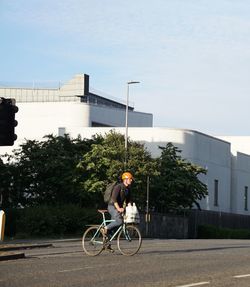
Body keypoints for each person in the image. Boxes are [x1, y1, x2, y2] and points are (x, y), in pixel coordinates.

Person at [101, 171, 133, 237]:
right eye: (130, 178)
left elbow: (128, 201)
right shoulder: (118, 187)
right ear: (125, 179)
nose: (131, 180)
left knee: (113, 228)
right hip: (112, 206)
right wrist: (118, 208)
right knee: (119, 222)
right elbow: (114, 199)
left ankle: (107, 244)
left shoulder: (128, 189)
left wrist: (131, 208)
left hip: (119, 208)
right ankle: (104, 228)